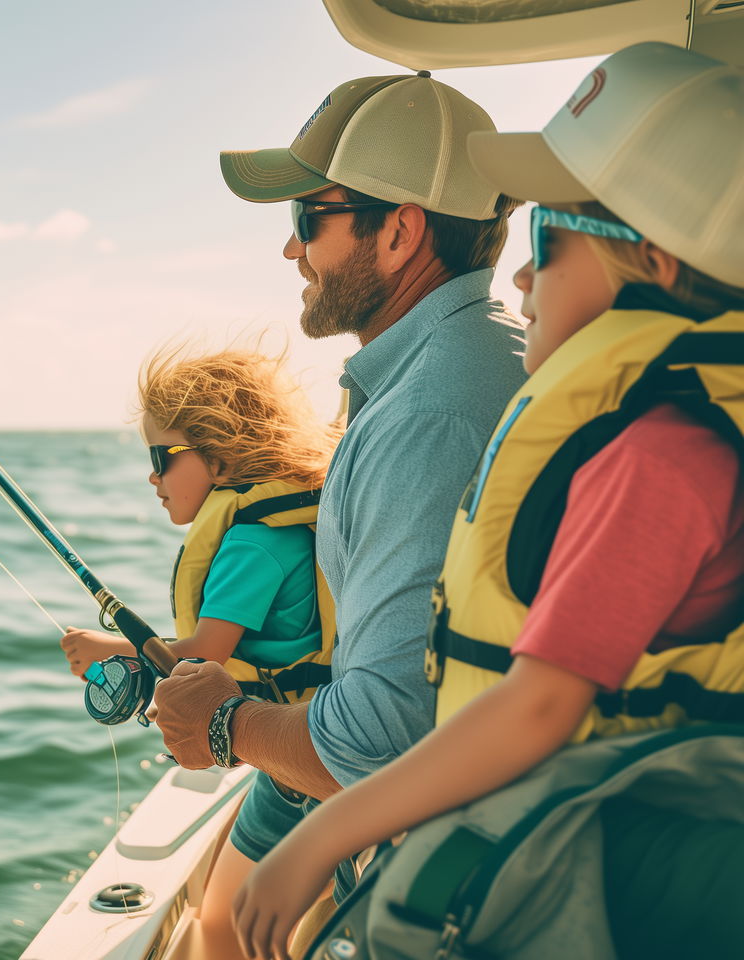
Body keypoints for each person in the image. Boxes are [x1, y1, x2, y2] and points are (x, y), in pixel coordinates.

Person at [230, 42, 744, 960]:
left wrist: (319, 836)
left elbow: (537, 709)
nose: (516, 279)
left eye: (548, 242)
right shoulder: (642, 428)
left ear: (657, 266)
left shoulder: (657, 459)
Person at [150, 69, 527, 943]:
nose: (291, 253)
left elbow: (379, 742)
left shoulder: (428, 416)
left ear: (398, 232)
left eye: (307, 221)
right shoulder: (469, 362)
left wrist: (224, 723)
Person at [60, 343, 339, 957]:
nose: (153, 477)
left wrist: (116, 650)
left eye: (162, 458)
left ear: (216, 458)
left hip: (298, 772)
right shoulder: (276, 527)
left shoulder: (249, 546)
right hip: (307, 742)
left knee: (221, 922)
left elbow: (204, 657)